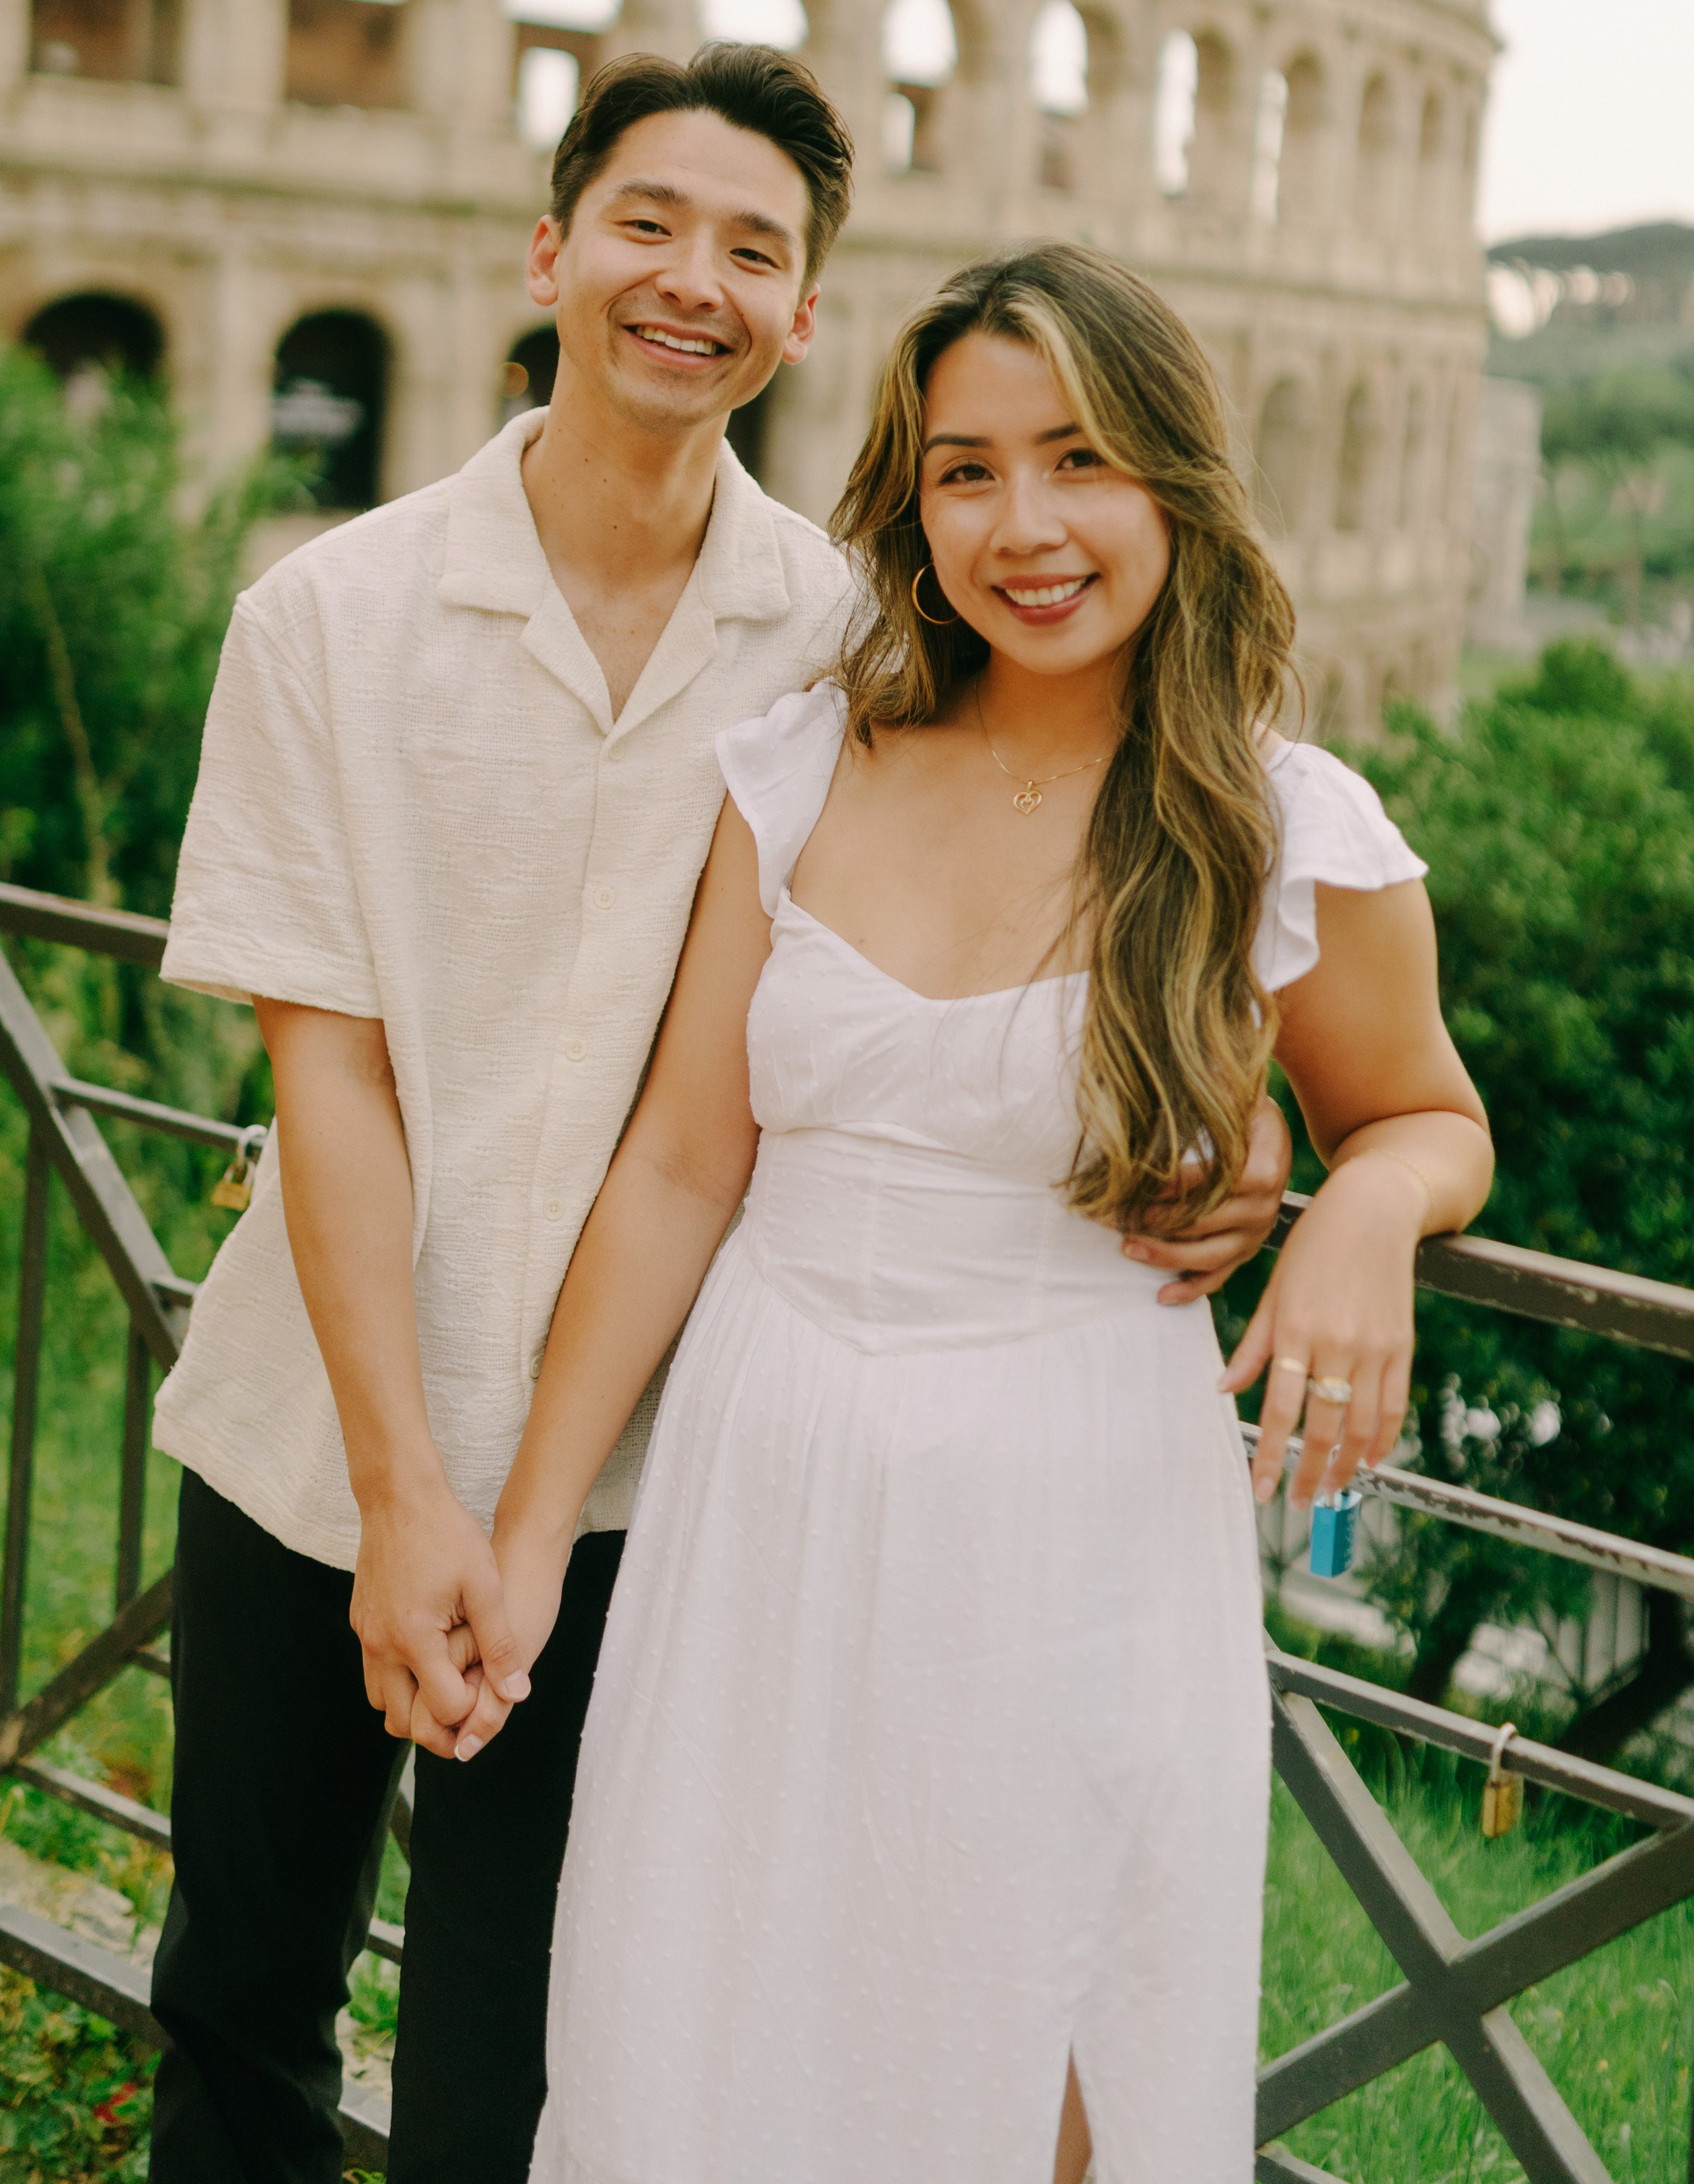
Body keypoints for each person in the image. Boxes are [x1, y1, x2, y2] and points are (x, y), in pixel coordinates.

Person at [147, 54, 1289, 2184]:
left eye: (755, 249)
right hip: (319, 1436)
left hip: (646, 1490)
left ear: (804, 316)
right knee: (240, 2009)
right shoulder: (326, 614)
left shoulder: (861, 648)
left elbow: (1058, 885)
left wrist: (1250, 1133)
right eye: (649, 224)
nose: (694, 281)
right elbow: (333, 1073)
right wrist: (408, 1496)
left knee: (524, 2056)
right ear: (551, 248)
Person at [448, 245, 1496, 2184]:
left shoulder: (1286, 828)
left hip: (1073, 1515)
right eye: (965, 472)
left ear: (1176, 481)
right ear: (911, 505)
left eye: (1080, 460)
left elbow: (1428, 1110)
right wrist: (523, 1539)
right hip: (764, 1493)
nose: (1025, 525)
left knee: (1045, 2033)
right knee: (714, 2017)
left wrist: (1365, 1205)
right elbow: (683, 1168)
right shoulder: (798, 767)